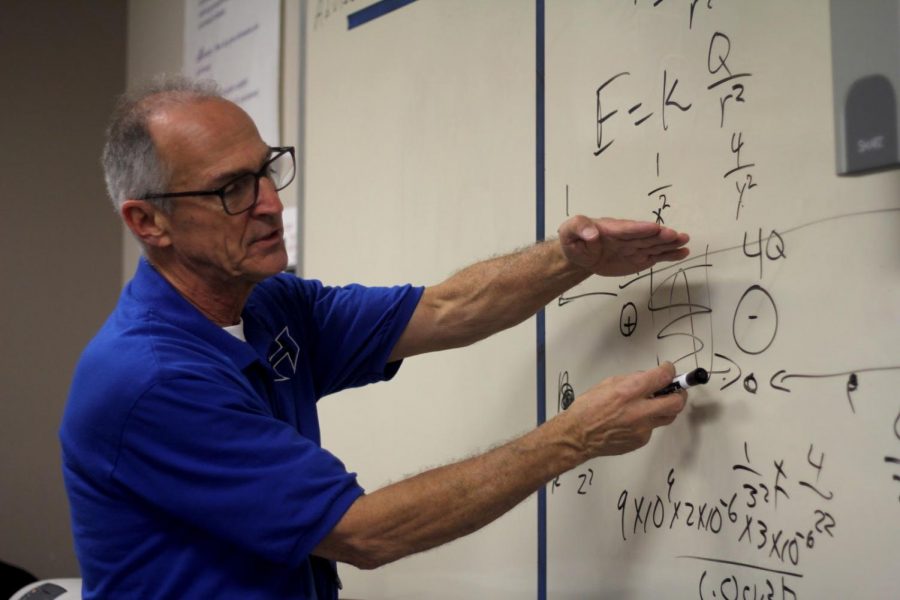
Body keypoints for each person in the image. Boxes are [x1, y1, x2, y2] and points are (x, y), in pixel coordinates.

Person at [60, 76, 691, 599]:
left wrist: (571, 259)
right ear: (149, 223)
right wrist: (573, 436)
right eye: (232, 190)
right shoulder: (153, 380)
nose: (270, 204)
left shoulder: (268, 303)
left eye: (267, 171)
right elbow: (364, 533)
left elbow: (446, 309)